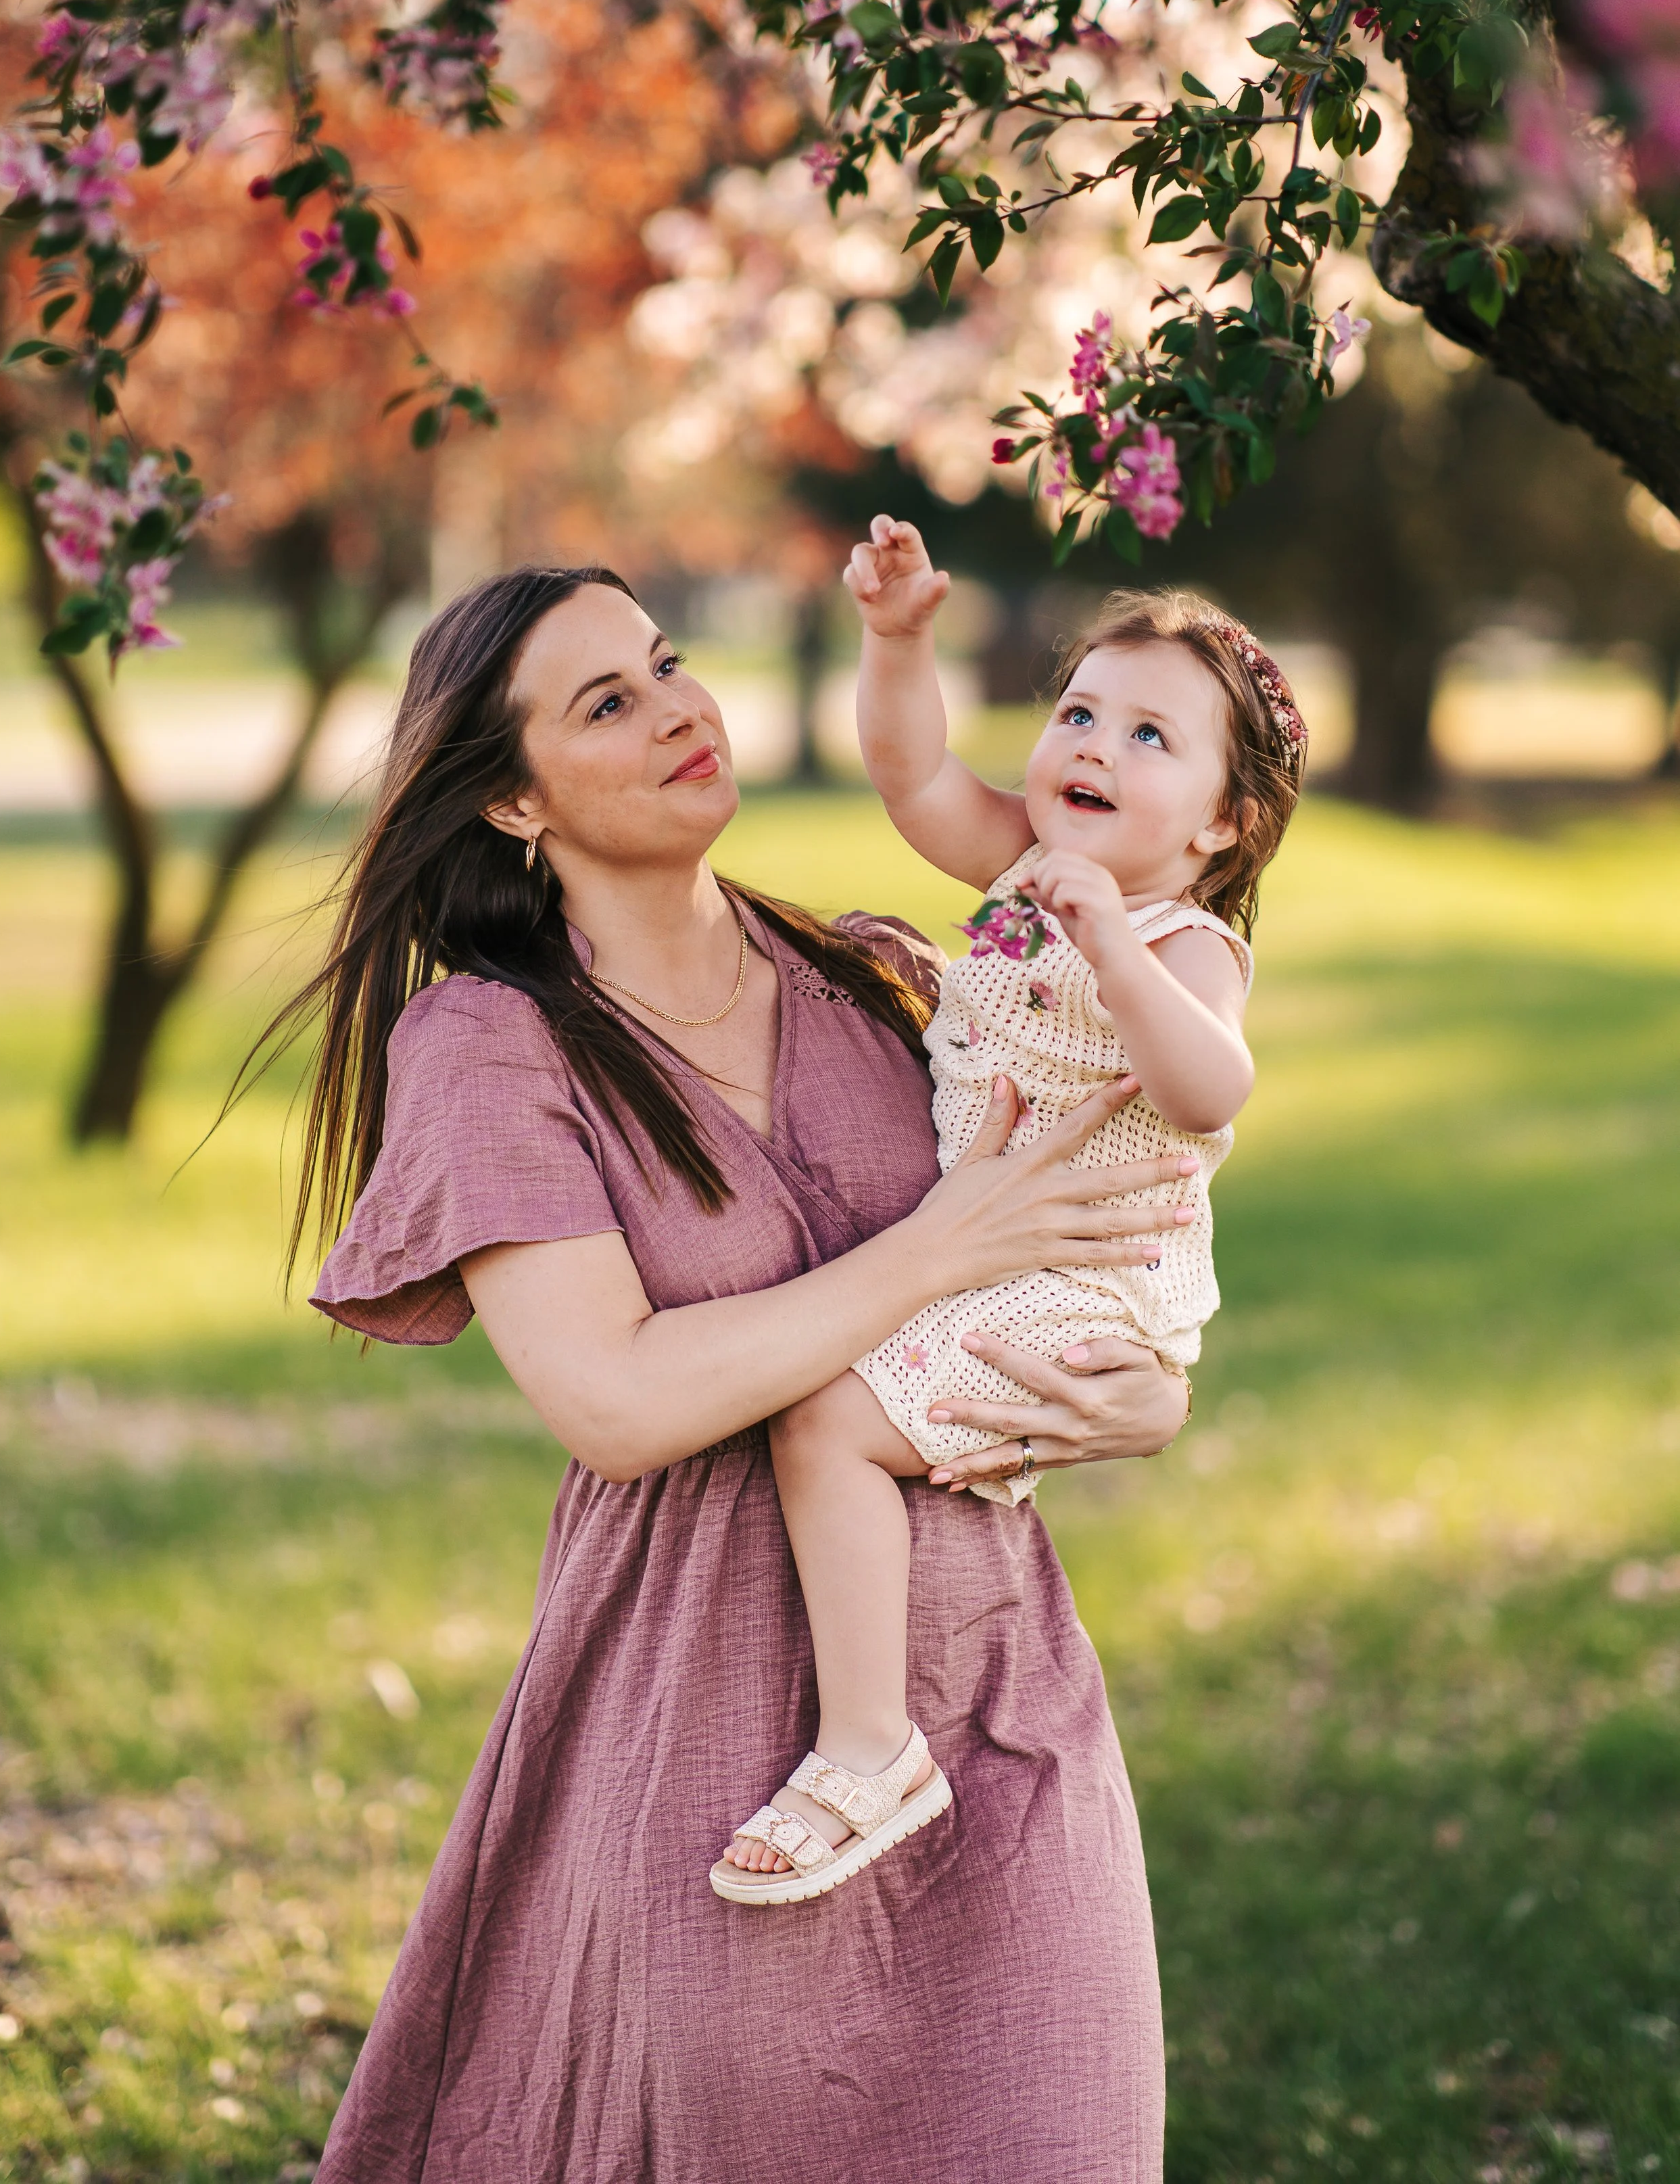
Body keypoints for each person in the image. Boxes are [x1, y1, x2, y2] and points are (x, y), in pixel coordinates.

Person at [289, 563, 1193, 2184]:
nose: (679, 712)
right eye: (606, 705)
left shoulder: (882, 980)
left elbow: (1102, 1209)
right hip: (712, 1726)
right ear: (509, 798)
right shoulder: (492, 1048)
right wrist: (936, 1250)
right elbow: (615, 1403)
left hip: (1002, 1693)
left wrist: (1143, 1391)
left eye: (666, 663)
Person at [716, 526, 1307, 1905]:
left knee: (823, 1428)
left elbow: (1210, 1089)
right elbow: (911, 772)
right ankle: (867, 1732)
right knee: (814, 1408)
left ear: (1222, 824)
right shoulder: (1023, 866)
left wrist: (1112, 940)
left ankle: (871, 1746)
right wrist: (899, 638)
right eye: (1077, 713)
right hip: (996, 1243)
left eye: (1150, 735)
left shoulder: (1181, 944)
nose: (1092, 745)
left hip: (1086, 1282)